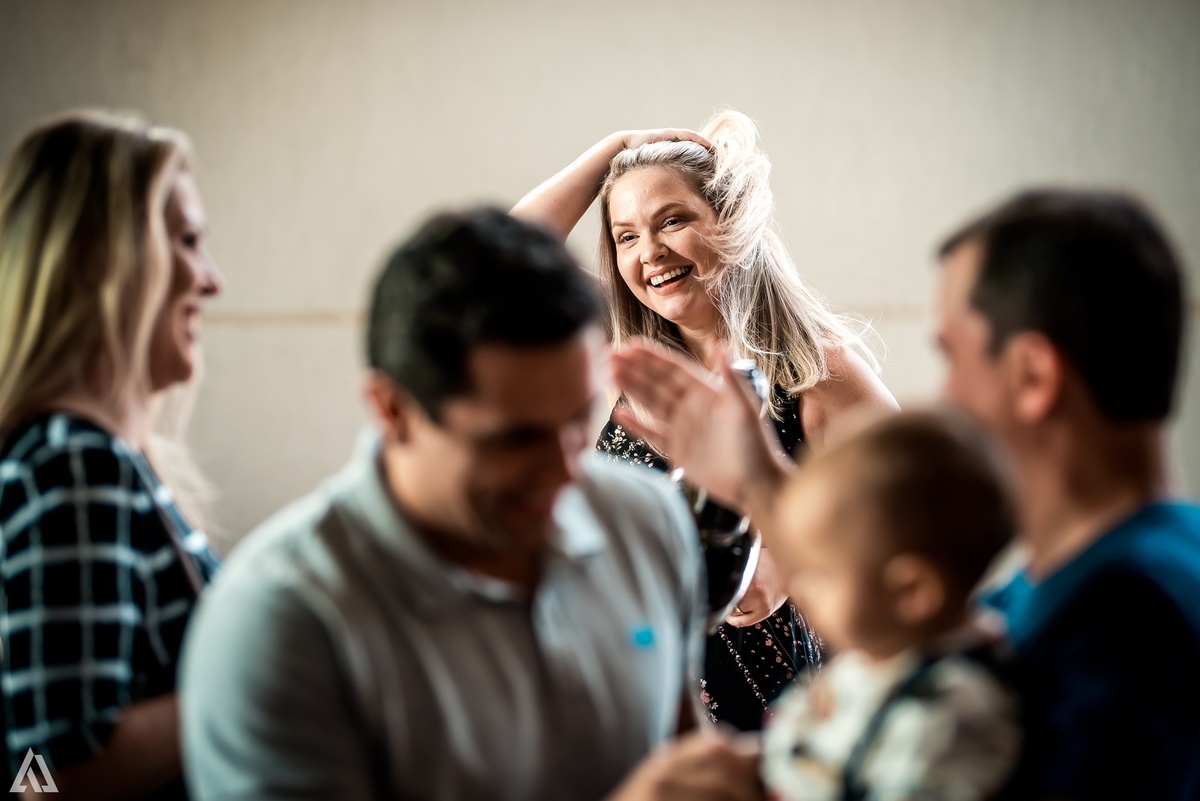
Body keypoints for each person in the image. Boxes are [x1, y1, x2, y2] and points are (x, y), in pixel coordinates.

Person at [609, 188, 1200, 800]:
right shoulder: (1097, 575)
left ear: (1033, 376)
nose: (943, 395)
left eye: (952, 357)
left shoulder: (1127, 618)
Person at [178, 208, 762, 801]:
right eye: (516, 439)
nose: (567, 473)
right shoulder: (283, 621)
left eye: (579, 421)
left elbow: (683, 750)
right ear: (392, 411)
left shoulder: (645, 520)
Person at [513, 110, 898, 730]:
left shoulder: (817, 374)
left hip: (787, 723)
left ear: (732, 224)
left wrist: (795, 565)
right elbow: (510, 259)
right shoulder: (631, 356)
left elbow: (929, 521)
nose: (652, 252)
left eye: (673, 221)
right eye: (627, 235)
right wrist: (614, 147)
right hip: (645, 705)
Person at [0, 111, 224, 800]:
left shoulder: (99, 462)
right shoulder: (73, 467)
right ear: (108, 260)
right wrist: (257, 673)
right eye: (187, 241)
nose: (211, 280)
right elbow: (46, 777)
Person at [759, 410, 1021, 801]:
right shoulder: (876, 656)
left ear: (911, 593)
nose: (800, 588)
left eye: (823, 576)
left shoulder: (949, 713)